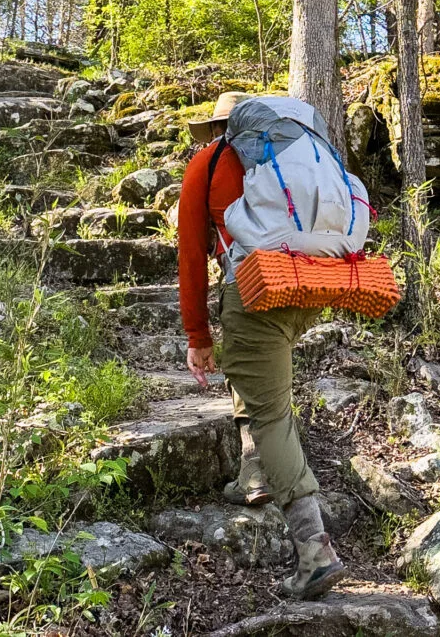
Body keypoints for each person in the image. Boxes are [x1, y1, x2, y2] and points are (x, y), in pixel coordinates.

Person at [178, 93, 347, 600]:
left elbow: (190, 254)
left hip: (255, 290)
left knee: (272, 413)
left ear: (219, 127)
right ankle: (254, 473)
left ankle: (314, 551)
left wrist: (198, 335)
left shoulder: (207, 164)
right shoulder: (299, 156)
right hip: (309, 286)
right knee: (257, 377)